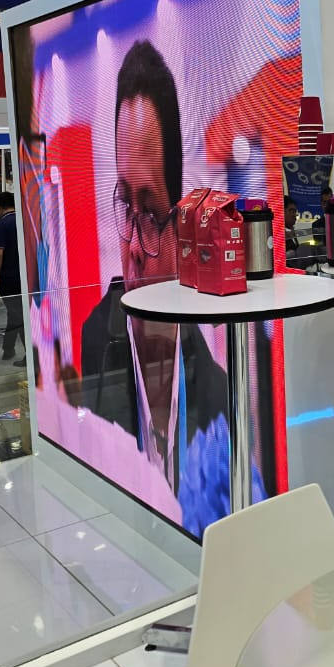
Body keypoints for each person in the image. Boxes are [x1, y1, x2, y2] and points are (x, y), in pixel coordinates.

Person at [78, 40, 228, 501]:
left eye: (151, 213)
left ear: (182, 221)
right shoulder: (95, 341)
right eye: (126, 204)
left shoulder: (218, 392)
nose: (133, 248)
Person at [0, 191, 25, 367]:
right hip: (27, 275)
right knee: (16, 312)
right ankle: (8, 348)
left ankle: (32, 356)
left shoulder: (1, 224)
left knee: (19, 315)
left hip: (9, 278)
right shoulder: (25, 219)